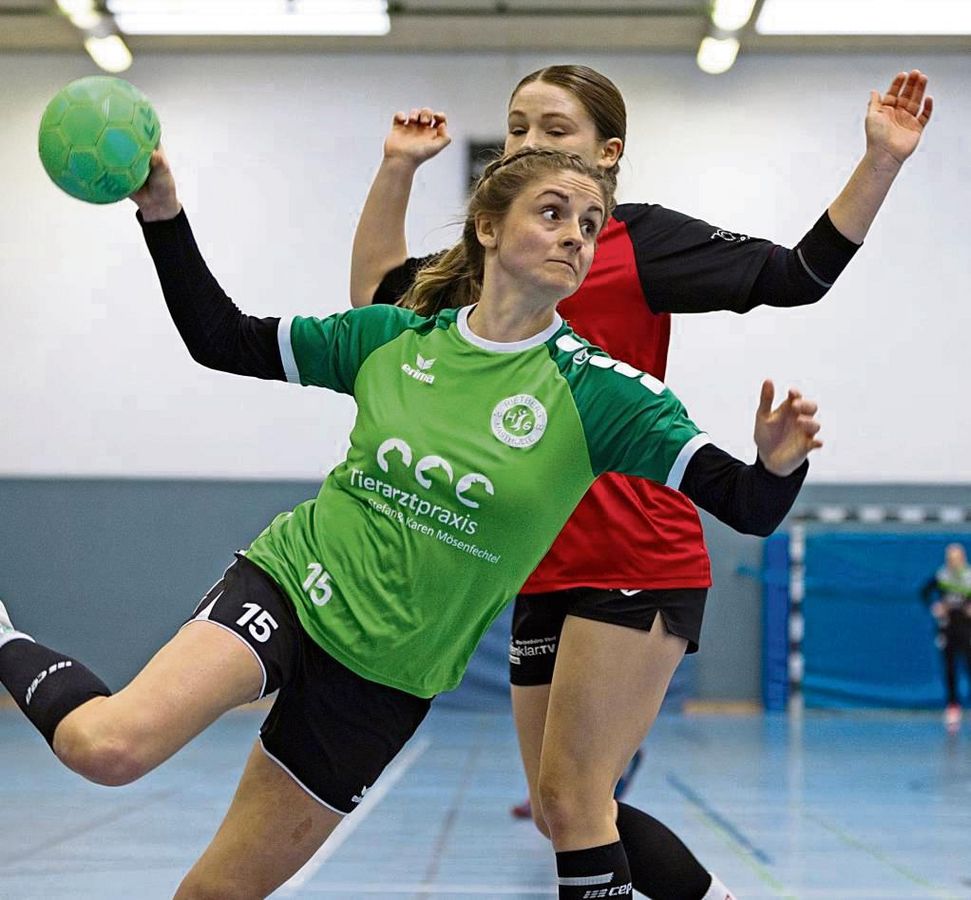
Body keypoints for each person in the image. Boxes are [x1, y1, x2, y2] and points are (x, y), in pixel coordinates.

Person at [0, 146, 821, 899]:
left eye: (590, 223)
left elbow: (748, 507)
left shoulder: (601, 393)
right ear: (488, 229)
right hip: (294, 586)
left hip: (391, 676)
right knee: (106, 749)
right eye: (552, 213)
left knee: (214, 896)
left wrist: (779, 461)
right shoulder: (387, 339)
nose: (575, 235)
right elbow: (220, 338)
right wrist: (163, 213)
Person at [350, 64, 933, 900]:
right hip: (533, 564)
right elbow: (376, 298)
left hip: (633, 552)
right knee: (563, 810)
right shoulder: (500, 247)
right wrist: (398, 167)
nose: (527, 144)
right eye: (516, 128)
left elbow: (797, 275)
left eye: (554, 130)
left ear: (607, 151)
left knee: (577, 798)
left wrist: (881, 159)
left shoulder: (637, 242)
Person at [921, 543, 971, 732]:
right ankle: (952, 706)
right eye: (950, 558)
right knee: (950, 667)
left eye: (957, 557)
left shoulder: (969, 576)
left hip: (967, 629)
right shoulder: (942, 576)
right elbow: (924, 592)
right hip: (947, 628)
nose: (954, 561)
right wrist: (936, 606)